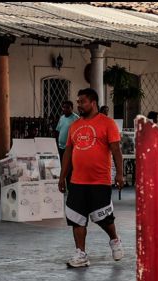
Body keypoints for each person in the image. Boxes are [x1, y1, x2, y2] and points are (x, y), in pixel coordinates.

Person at [58, 87, 125, 268]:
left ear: (93, 103)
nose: (79, 105)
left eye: (82, 102)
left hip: (99, 180)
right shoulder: (75, 126)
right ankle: (81, 254)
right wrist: (62, 177)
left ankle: (115, 240)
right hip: (77, 181)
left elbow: (116, 150)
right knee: (77, 218)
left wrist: (119, 173)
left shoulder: (107, 123)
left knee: (103, 218)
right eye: (78, 102)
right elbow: (68, 154)